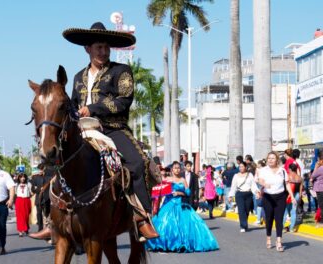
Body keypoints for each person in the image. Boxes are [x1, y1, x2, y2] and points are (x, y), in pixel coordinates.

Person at [64, 21, 158, 240]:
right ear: (87, 49)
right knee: (55, 162)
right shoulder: (78, 77)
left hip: (112, 129)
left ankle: (142, 216)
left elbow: (123, 101)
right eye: (98, 47)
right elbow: (73, 104)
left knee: (138, 162)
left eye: (106, 47)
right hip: (81, 130)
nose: (103, 51)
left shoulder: (121, 71)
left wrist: (92, 109)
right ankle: (53, 220)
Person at [145, 161, 219, 252]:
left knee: (185, 225)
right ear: (172, 169)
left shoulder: (182, 180)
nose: (177, 169)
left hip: (180, 203)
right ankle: (163, 244)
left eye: (178, 168)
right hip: (168, 204)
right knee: (164, 223)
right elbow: (159, 191)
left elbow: (188, 192)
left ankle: (181, 244)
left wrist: (179, 193)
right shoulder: (167, 179)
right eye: (175, 168)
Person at [256, 151, 296, 252]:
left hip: (280, 197)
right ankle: (268, 238)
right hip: (268, 197)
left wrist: (292, 196)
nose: (270, 160)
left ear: (277, 160)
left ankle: (279, 241)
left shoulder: (282, 171)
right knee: (269, 219)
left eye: (273, 158)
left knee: (279, 219)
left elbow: (287, 184)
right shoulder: (263, 170)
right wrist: (264, 184)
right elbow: (260, 180)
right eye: (269, 158)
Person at [228, 162, 260, 232]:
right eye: (240, 167)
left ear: (245, 167)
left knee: (247, 210)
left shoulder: (250, 175)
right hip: (239, 194)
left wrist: (256, 192)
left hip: (248, 194)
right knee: (241, 210)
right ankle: (243, 226)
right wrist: (230, 196)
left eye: (242, 166)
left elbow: (253, 185)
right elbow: (233, 186)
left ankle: (245, 223)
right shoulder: (236, 176)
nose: (241, 168)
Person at [283, 163, 303, 233]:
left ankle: (282, 226)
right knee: (294, 211)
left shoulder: (288, 176)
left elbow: (286, 187)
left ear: (290, 169)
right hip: (297, 194)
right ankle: (291, 228)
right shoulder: (300, 178)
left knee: (285, 210)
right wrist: (300, 198)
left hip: (288, 195)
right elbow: (301, 189)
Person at [311, 150, 323, 227]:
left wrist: (315, 167)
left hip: (320, 189)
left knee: (321, 206)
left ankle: (322, 222)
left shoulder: (321, 168)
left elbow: (313, 176)